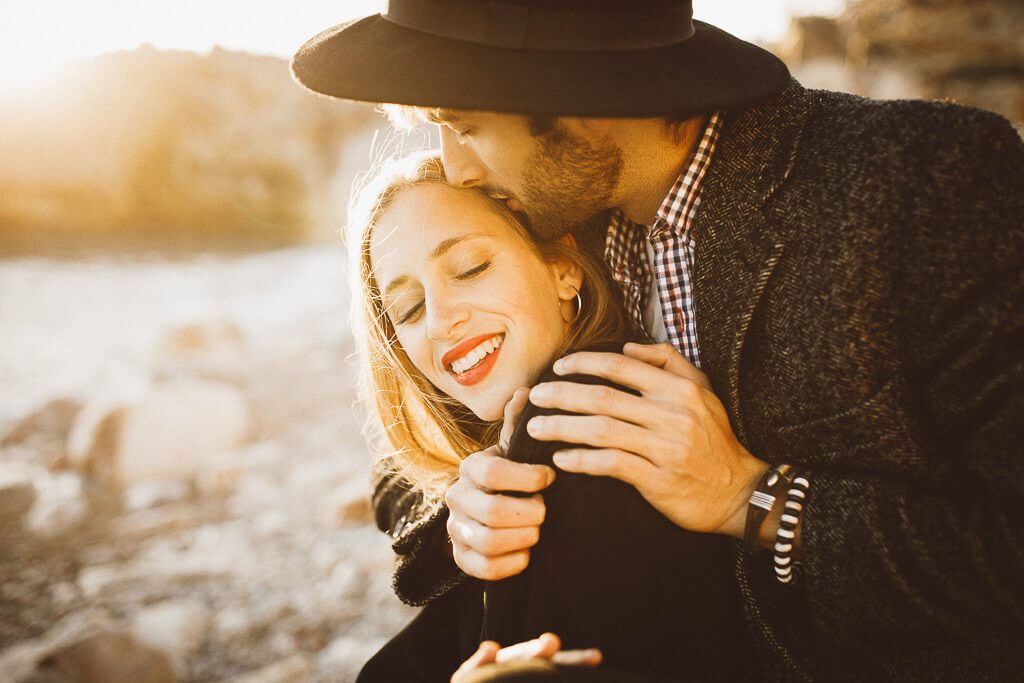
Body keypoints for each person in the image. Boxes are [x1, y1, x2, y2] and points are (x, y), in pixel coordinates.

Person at [292, 0, 1024, 679]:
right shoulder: (560, 215)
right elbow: (406, 446)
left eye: (467, 124)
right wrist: (465, 502)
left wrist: (755, 496)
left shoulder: (917, 182)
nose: (457, 166)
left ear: (582, 101)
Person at [347, 153, 756, 681]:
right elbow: (394, 477)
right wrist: (454, 513)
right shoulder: (514, 436)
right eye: (409, 309)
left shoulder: (575, 424)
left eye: (471, 269)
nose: (442, 321)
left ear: (563, 269)